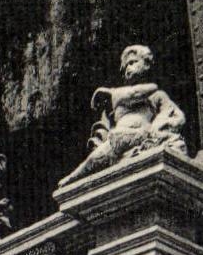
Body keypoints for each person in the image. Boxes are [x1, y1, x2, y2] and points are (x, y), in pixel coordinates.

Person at [57, 45, 186, 186]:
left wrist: (158, 128)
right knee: (94, 158)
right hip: (117, 139)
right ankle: (72, 179)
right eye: (125, 68)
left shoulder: (155, 94)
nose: (128, 69)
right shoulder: (117, 104)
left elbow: (174, 115)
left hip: (139, 134)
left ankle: (73, 179)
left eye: (132, 63)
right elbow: (105, 126)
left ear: (147, 65)